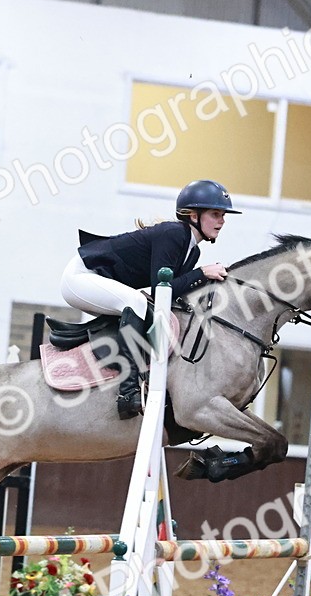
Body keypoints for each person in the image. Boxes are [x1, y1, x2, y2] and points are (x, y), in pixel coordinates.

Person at [60, 179, 240, 419]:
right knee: (135, 302)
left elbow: (173, 294)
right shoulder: (175, 233)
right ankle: (127, 392)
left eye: (223, 215)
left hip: (98, 281)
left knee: (143, 305)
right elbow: (161, 290)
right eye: (216, 214)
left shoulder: (192, 249)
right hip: (80, 278)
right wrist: (201, 273)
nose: (222, 221)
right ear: (193, 215)